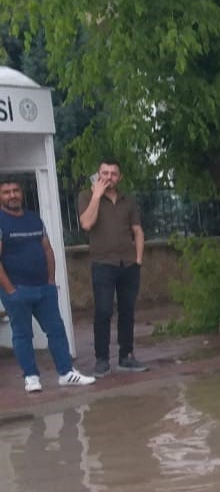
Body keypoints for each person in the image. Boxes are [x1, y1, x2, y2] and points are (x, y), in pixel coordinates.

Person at [0, 177, 96, 394]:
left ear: (22, 193)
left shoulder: (34, 219)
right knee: (23, 334)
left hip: (44, 289)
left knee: (56, 330)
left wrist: (51, 281)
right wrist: (10, 290)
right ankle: (31, 377)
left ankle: (66, 373)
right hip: (17, 291)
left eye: (15, 190)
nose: (12, 195)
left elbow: (48, 250)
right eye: (6, 192)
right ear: (0, 196)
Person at [78, 160, 147, 374]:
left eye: (113, 174)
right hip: (103, 264)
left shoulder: (128, 200)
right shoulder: (86, 196)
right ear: (98, 174)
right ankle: (102, 359)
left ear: (120, 177)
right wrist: (97, 196)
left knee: (127, 312)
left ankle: (126, 356)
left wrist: (138, 260)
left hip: (128, 264)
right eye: (105, 173)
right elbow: (87, 224)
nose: (109, 177)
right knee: (104, 311)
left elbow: (138, 231)